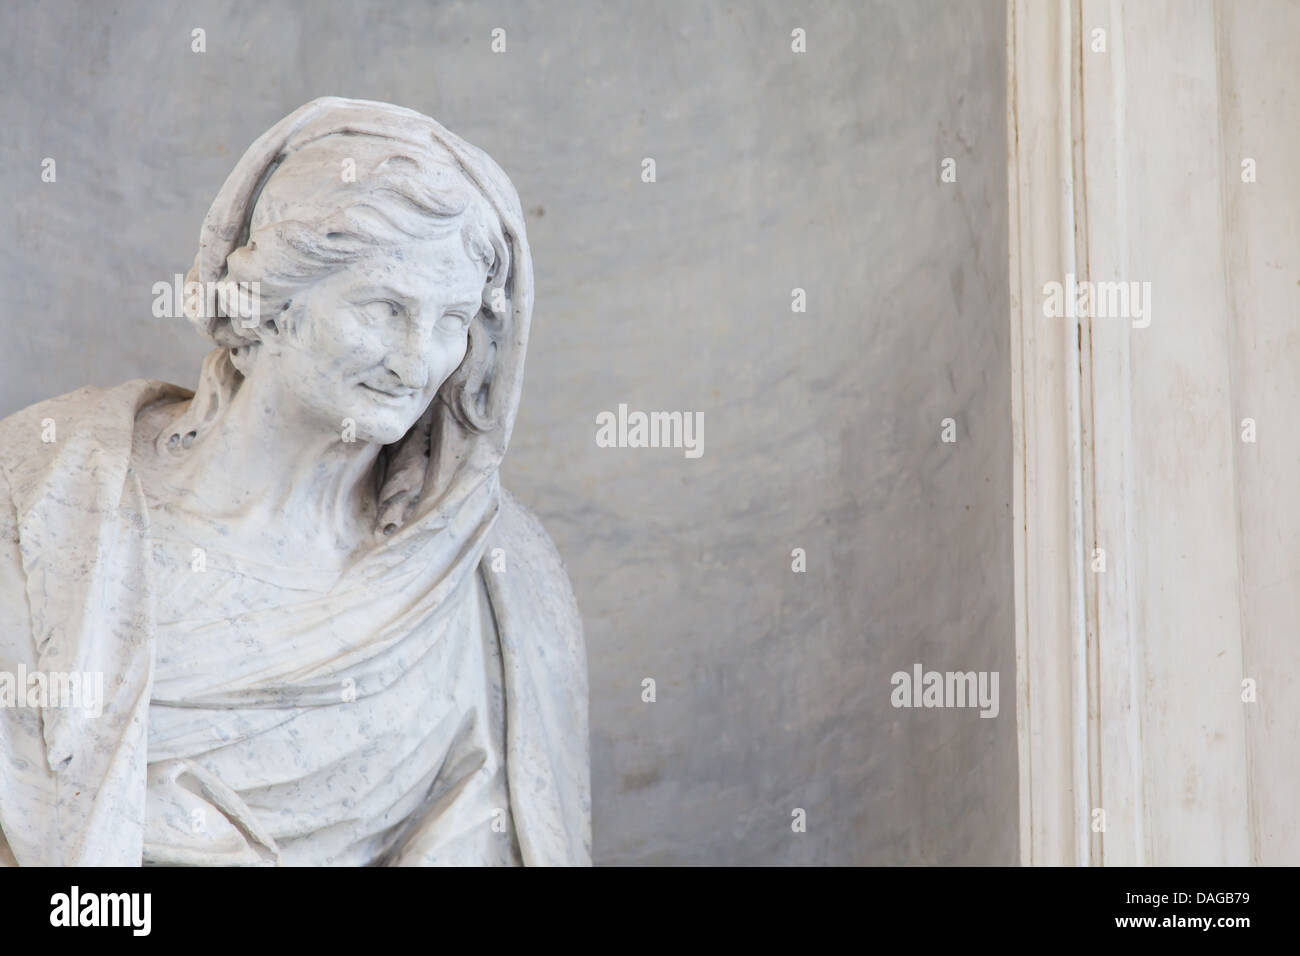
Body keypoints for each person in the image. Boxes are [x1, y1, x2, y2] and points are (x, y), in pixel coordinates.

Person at [0, 97, 590, 866]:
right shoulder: (47, 492)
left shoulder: (491, 578)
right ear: (271, 304)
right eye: (384, 308)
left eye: (452, 321)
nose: (418, 362)